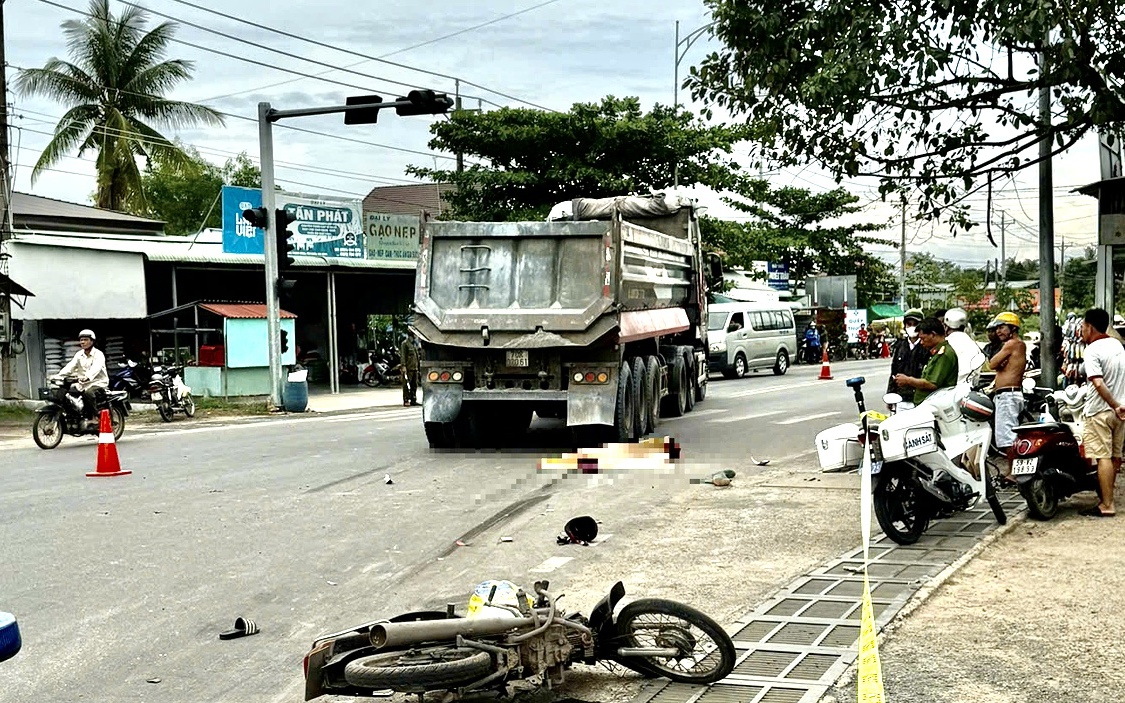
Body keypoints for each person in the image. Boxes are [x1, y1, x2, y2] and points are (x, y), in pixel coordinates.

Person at [1078, 308, 1125, 517]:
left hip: (1100, 411)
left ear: (1089, 326)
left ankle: (1107, 504)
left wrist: (1113, 403)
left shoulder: (1092, 350)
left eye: (1082, 326)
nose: (1081, 331)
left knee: (1103, 457)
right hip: (1121, 412)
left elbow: (1097, 382)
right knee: (1115, 456)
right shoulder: (1117, 345)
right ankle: (1107, 497)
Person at [987, 312, 1027, 477]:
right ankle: (1014, 471)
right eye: (997, 328)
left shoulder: (1011, 344)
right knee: (1010, 435)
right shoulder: (1018, 345)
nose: (998, 331)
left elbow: (992, 363)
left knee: (1007, 437)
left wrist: (998, 363)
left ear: (1013, 328)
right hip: (1011, 394)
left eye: (1002, 327)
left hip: (1007, 396)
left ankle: (1013, 473)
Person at [893, 318, 959, 405]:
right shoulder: (936, 352)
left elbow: (931, 384)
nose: (921, 342)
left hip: (935, 406)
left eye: (923, 338)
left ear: (933, 334)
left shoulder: (944, 354)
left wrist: (908, 380)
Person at [54, 329, 108, 429]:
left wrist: (87, 377)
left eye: (85, 339)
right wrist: (59, 375)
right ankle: (75, 415)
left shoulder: (98, 354)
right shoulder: (79, 354)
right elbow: (70, 366)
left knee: (88, 393)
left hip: (98, 382)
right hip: (82, 383)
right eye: (81, 340)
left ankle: (95, 417)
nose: (82, 342)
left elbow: (96, 368)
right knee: (68, 393)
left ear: (92, 341)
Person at [888, 309, 929, 396]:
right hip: (901, 397)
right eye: (909, 324)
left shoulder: (927, 347)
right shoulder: (900, 346)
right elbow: (894, 372)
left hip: (920, 397)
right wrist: (891, 394)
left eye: (915, 324)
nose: (912, 327)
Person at [942, 307, 983, 383]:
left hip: (947, 390)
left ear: (945, 327)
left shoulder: (944, 345)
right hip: (968, 390)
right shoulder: (974, 346)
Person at [399, 334, 420, 407]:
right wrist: (403, 366)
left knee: (414, 385)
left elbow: (417, 357)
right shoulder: (405, 344)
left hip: (415, 368)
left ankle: (413, 400)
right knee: (407, 385)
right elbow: (403, 356)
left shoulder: (414, 345)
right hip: (408, 368)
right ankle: (406, 400)